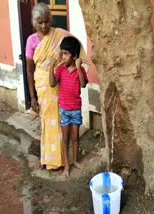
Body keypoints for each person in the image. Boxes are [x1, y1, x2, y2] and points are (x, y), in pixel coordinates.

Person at [26, 3, 82, 170]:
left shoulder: (60, 35)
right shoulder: (31, 41)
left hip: (60, 83)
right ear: (33, 22)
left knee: (60, 120)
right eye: (39, 22)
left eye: (46, 22)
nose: (44, 26)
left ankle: (63, 159)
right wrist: (32, 97)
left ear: (50, 20)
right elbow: (29, 72)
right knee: (47, 120)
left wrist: (79, 64)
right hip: (43, 84)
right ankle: (49, 159)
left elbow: (75, 46)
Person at [49, 37, 88, 177]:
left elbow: (83, 85)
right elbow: (52, 84)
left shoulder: (80, 70)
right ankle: (67, 165)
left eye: (65, 53)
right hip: (64, 109)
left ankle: (75, 160)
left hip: (76, 109)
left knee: (75, 137)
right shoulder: (60, 69)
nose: (63, 56)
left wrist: (78, 67)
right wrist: (51, 67)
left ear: (74, 56)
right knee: (65, 139)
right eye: (62, 53)